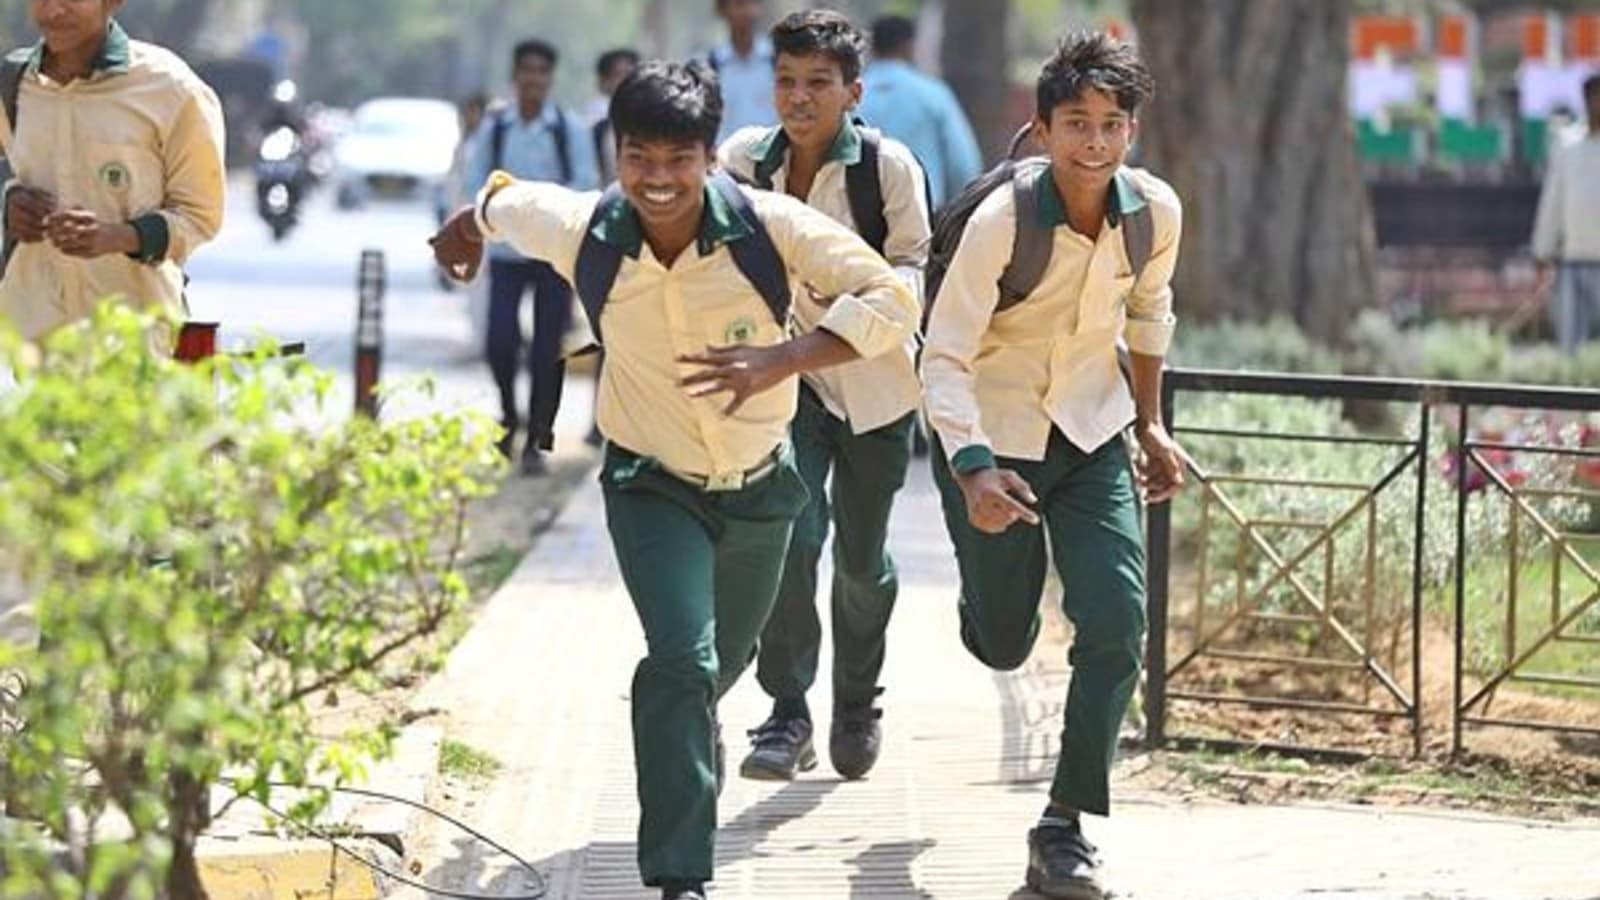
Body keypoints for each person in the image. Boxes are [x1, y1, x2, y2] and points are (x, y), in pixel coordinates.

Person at [431, 60, 917, 900]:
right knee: (681, 664)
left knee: (717, 667)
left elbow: (894, 289)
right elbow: (505, 201)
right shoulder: (587, 229)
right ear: (617, 155)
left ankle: (689, 743)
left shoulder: (773, 228)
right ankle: (680, 876)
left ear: (711, 157)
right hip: (650, 485)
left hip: (763, 490)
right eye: (639, 158)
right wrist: (464, 226)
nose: (659, 181)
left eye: (679, 160)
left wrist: (785, 358)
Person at [920, 33, 1185, 900]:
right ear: (1040, 128)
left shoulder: (1153, 213)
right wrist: (970, 472)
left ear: (1133, 131)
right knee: (1002, 641)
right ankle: (988, 598)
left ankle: (1063, 826)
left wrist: (1149, 425)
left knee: (1117, 624)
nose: (1096, 143)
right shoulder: (1003, 223)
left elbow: (1148, 317)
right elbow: (945, 356)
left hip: (1090, 435)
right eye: (1077, 123)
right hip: (993, 446)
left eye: (1113, 124)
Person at [717, 9, 929, 784]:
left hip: (875, 388)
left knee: (861, 561)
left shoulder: (889, 169)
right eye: (785, 81)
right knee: (790, 540)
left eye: (817, 83)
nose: (798, 98)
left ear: (853, 91)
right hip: (786, 384)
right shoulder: (743, 161)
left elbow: (911, 278)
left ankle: (856, 701)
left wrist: (834, 331)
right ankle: (787, 712)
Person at [1, 0, 225, 351]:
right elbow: (8, 172)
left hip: (138, 345)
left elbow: (200, 216)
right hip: (35, 344)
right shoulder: (11, 86)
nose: (53, 11)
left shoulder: (171, 89)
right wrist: (10, 202)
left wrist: (117, 237)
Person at [465, 38, 598, 474]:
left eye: (541, 71)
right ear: (516, 75)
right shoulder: (497, 127)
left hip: (551, 256)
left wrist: (536, 209)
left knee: (547, 349)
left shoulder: (568, 129)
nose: (533, 79)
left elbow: (583, 184)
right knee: (498, 340)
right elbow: (476, 183)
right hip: (505, 253)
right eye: (527, 70)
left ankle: (538, 435)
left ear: (550, 78)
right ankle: (508, 414)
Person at [857, 14, 983, 210]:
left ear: (872, 47)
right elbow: (963, 163)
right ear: (909, 45)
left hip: (857, 216)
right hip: (922, 212)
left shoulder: (851, 95)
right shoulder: (933, 94)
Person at [1532, 75, 1600, 356]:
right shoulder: (1568, 145)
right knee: (1571, 347)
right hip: (1573, 263)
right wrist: (1542, 249)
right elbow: (1554, 199)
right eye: (1593, 97)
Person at [707, 0, 776, 142]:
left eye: (754, 3)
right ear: (722, 10)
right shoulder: (713, 65)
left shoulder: (775, 60)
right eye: (740, 4)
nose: (749, 11)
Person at [588, 48, 640, 185]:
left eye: (630, 75)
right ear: (603, 83)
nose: (626, 82)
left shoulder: (655, 128)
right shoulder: (598, 133)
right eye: (618, 75)